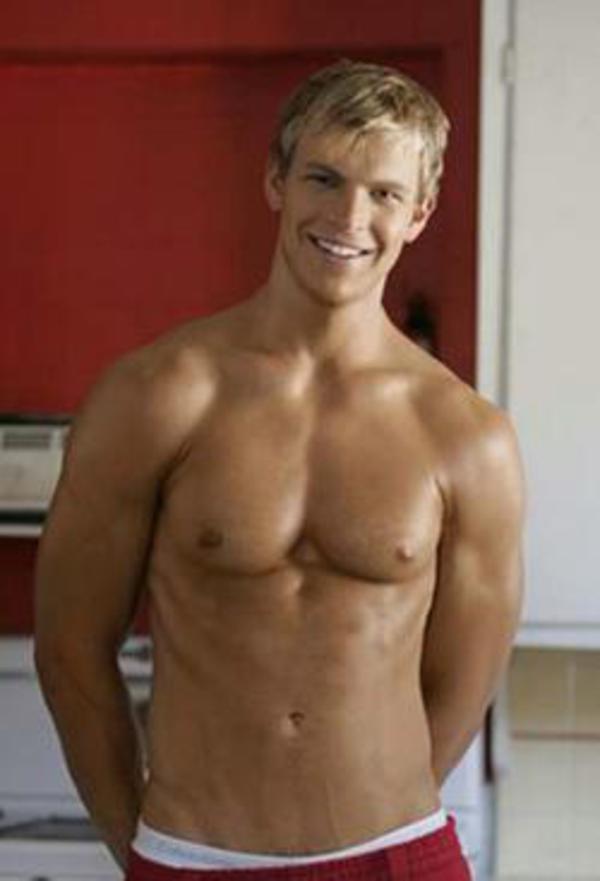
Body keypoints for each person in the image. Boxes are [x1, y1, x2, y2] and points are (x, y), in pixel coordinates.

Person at [34, 60, 525, 881]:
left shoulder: (467, 438)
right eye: (323, 179)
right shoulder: (157, 395)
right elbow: (70, 649)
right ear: (276, 181)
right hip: (193, 852)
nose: (349, 216)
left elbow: (465, 681)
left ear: (420, 213)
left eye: (384, 193)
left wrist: (379, 818)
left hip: (396, 856)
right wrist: (143, 852)